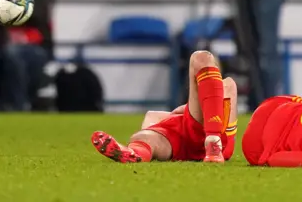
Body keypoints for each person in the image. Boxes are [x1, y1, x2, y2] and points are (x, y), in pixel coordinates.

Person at [91, 51, 238, 163]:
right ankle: (132, 154)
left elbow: (229, 143)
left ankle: (213, 140)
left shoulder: (227, 85)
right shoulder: (174, 116)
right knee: (143, 138)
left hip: (208, 134)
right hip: (182, 144)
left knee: (202, 57)